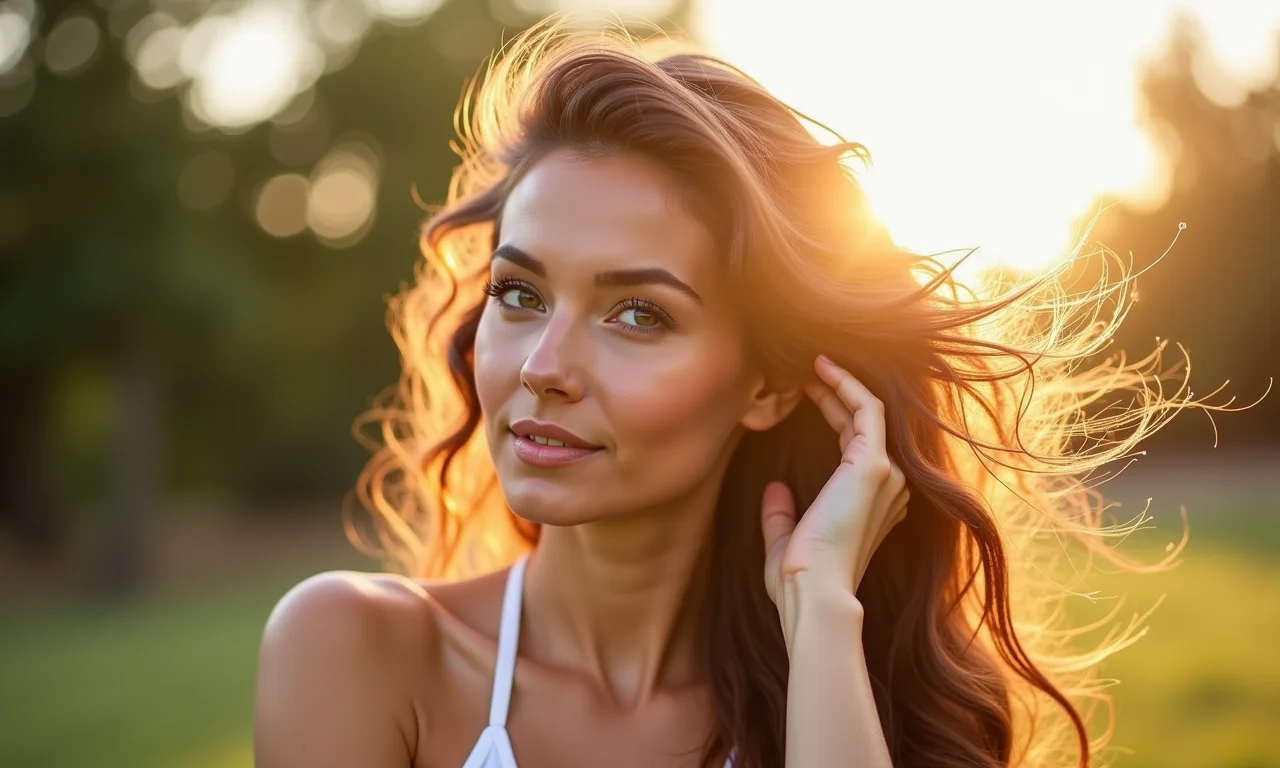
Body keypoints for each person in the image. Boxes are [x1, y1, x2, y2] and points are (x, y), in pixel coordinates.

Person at [253, 16, 1200, 768]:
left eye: (638, 314)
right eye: (521, 294)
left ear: (769, 385)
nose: (544, 365)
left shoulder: (846, 698)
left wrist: (821, 615)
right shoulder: (355, 651)